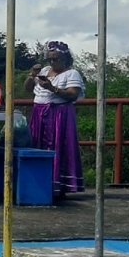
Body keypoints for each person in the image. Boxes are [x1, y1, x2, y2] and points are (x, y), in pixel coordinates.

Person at [25, 40, 86, 195]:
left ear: (65, 59)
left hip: (59, 114)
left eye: (56, 59)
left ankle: (59, 184)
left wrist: (52, 88)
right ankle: (39, 182)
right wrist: (32, 75)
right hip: (40, 112)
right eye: (50, 59)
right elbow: (28, 89)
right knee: (38, 146)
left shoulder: (72, 74)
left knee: (58, 146)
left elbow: (72, 95)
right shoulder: (45, 71)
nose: (52, 62)